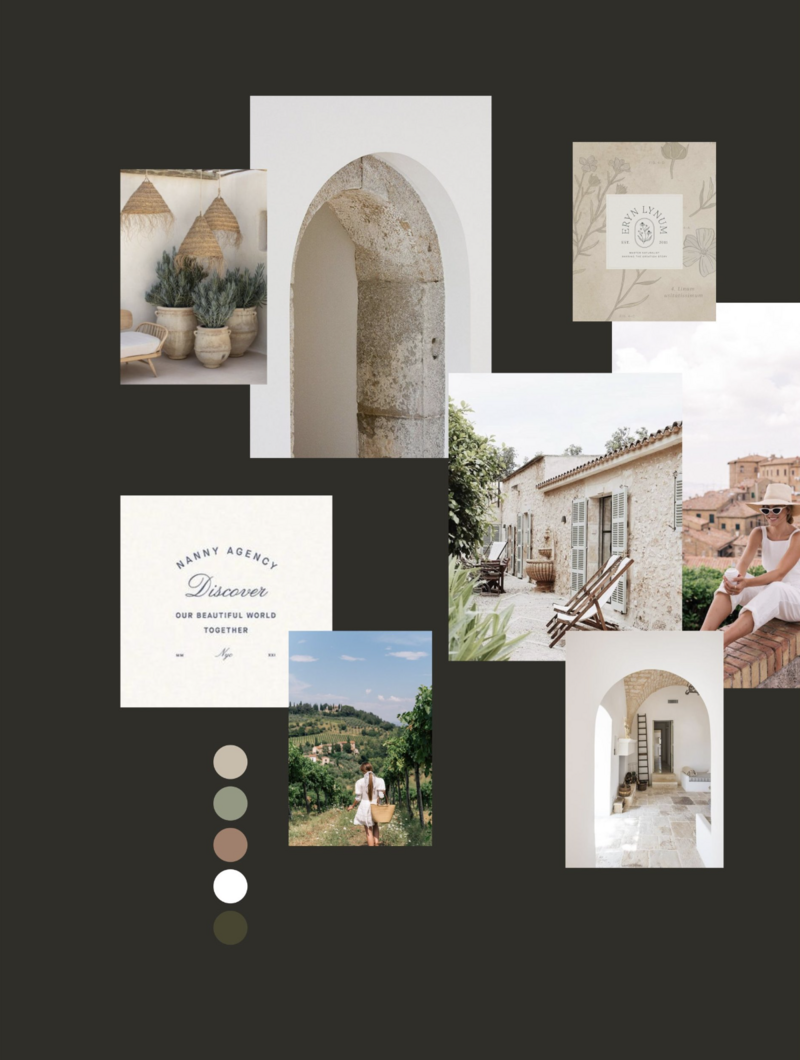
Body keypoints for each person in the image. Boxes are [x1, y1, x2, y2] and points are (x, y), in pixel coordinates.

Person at [700, 484, 800, 648]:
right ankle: (701, 639)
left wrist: (746, 583)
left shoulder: (797, 536)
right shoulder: (759, 533)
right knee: (732, 579)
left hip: (795, 598)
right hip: (772, 594)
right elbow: (743, 564)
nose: (770, 514)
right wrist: (736, 581)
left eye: (776, 510)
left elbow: (779, 574)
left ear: (787, 510)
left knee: (775, 587)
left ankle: (717, 645)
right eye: (766, 510)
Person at [347, 762, 386, 847]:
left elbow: (358, 798)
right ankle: (376, 844)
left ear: (362, 771)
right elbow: (381, 795)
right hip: (376, 805)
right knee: (375, 825)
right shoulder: (380, 780)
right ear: (371, 769)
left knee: (369, 830)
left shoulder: (359, 782)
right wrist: (377, 801)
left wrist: (352, 806)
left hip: (365, 806)